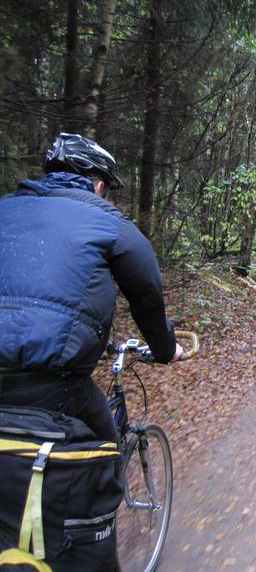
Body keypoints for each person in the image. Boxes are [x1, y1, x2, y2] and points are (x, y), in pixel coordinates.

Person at [0, 133, 183, 442]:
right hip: (53, 379)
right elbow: (146, 295)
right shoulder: (109, 223)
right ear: (98, 185)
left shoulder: (6, 208)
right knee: (106, 456)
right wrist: (165, 349)